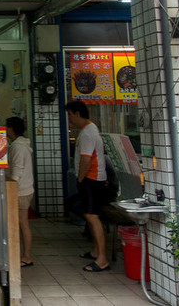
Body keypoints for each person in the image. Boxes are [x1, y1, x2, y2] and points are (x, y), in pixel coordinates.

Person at [66, 99, 111, 272]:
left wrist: (80, 179)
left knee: (93, 217)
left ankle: (102, 259)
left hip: (91, 179)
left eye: (70, 115)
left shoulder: (87, 133)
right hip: (92, 179)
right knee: (89, 215)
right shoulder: (89, 129)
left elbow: (85, 159)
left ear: (77, 114)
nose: (69, 119)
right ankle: (95, 251)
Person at [6, 116, 34, 267]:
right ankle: (23, 254)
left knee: (21, 223)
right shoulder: (19, 144)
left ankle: (26, 256)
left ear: (11, 128)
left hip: (20, 191)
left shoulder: (18, 147)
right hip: (25, 189)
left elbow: (16, 171)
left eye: (6, 126)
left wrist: (10, 187)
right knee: (22, 223)